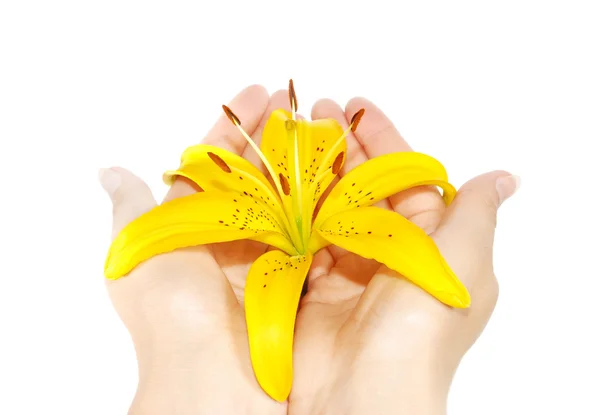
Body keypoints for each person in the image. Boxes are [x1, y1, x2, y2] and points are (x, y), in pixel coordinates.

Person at [99, 84, 519, 415]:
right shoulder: (268, 243)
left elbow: (428, 178)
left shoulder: (339, 218)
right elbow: (145, 232)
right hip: (287, 229)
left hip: (327, 225)